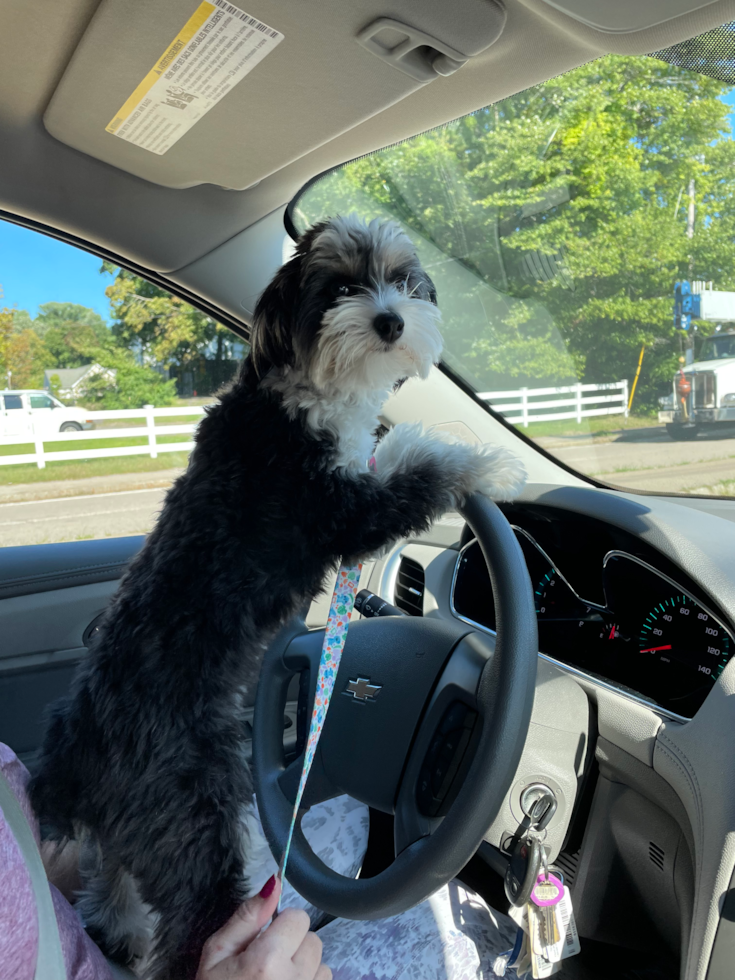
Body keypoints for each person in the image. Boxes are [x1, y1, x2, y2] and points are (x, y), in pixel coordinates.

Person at [0, 742, 517, 979]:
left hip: (97, 929)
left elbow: (27, 848)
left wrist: (132, 835)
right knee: (452, 931)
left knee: (343, 809)